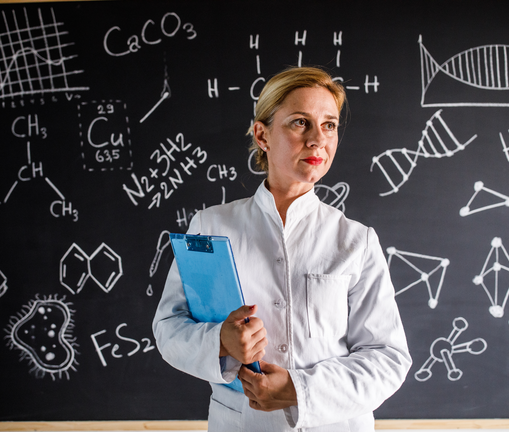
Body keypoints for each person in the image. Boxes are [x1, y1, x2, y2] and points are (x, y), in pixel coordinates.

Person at [152, 66, 411, 431]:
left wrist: (297, 390)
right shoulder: (211, 227)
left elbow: (388, 358)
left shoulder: (356, 240)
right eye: (300, 123)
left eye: (330, 125)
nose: (318, 140)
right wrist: (220, 341)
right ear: (262, 134)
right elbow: (169, 329)